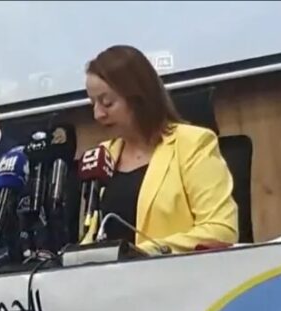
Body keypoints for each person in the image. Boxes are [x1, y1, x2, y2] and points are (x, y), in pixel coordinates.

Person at [84, 45, 239, 253]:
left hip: (176, 271)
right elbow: (93, 235)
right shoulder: (104, 155)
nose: (98, 114)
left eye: (107, 103)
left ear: (139, 98)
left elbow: (221, 231)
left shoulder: (193, 144)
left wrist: (141, 253)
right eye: (93, 103)